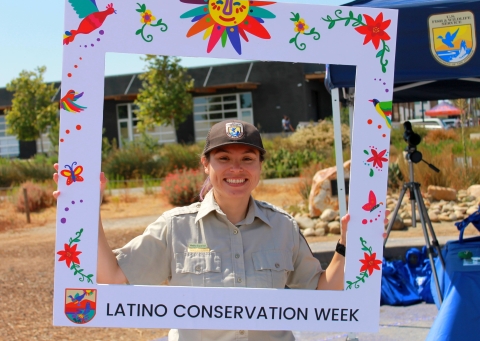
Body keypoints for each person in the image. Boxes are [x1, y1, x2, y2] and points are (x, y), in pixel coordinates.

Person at [53, 120, 384, 341]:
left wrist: (349, 247)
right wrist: (85, 211)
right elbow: (112, 280)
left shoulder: (283, 226)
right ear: (205, 165)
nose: (236, 168)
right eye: (224, 158)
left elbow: (322, 296)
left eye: (248, 158)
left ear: (259, 166)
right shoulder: (175, 227)